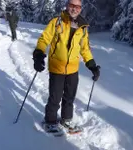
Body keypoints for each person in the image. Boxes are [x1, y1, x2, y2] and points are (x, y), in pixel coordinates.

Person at [33, 0, 100, 134]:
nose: (74, 9)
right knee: (55, 97)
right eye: (72, 5)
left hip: (73, 69)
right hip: (57, 67)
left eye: (77, 7)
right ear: (67, 6)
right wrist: (39, 54)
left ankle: (66, 119)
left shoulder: (83, 27)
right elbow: (44, 39)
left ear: (80, 9)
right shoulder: (57, 22)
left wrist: (92, 65)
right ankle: (50, 121)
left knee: (69, 97)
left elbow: (85, 49)